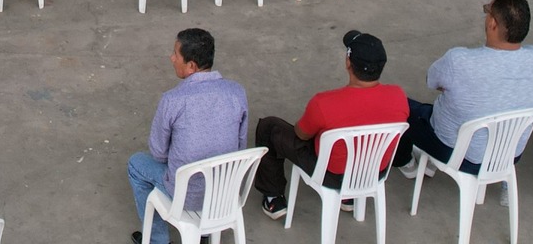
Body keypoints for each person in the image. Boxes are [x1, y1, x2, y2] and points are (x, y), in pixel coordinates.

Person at [252, 29, 408, 218]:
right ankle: (348, 198)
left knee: (269, 127)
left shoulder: (324, 103)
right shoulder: (399, 96)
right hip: (374, 172)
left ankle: (273, 198)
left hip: (331, 175)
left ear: (348, 62)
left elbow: (301, 134)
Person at [396, 0, 533, 177]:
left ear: (492, 23)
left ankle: (405, 162)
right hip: (508, 156)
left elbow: (432, 80)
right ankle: (426, 162)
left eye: (487, 11)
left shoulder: (459, 60)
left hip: (456, 154)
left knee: (396, 106)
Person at [129, 28, 248, 244]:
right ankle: (203, 234)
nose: (171, 58)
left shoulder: (172, 100)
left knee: (136, 164)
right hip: (225, 192)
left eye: (176, 54)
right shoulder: (237, 92)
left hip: (187, 194)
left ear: (191, 66)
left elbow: (158, 153)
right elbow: (240, 146)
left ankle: (157, 240)